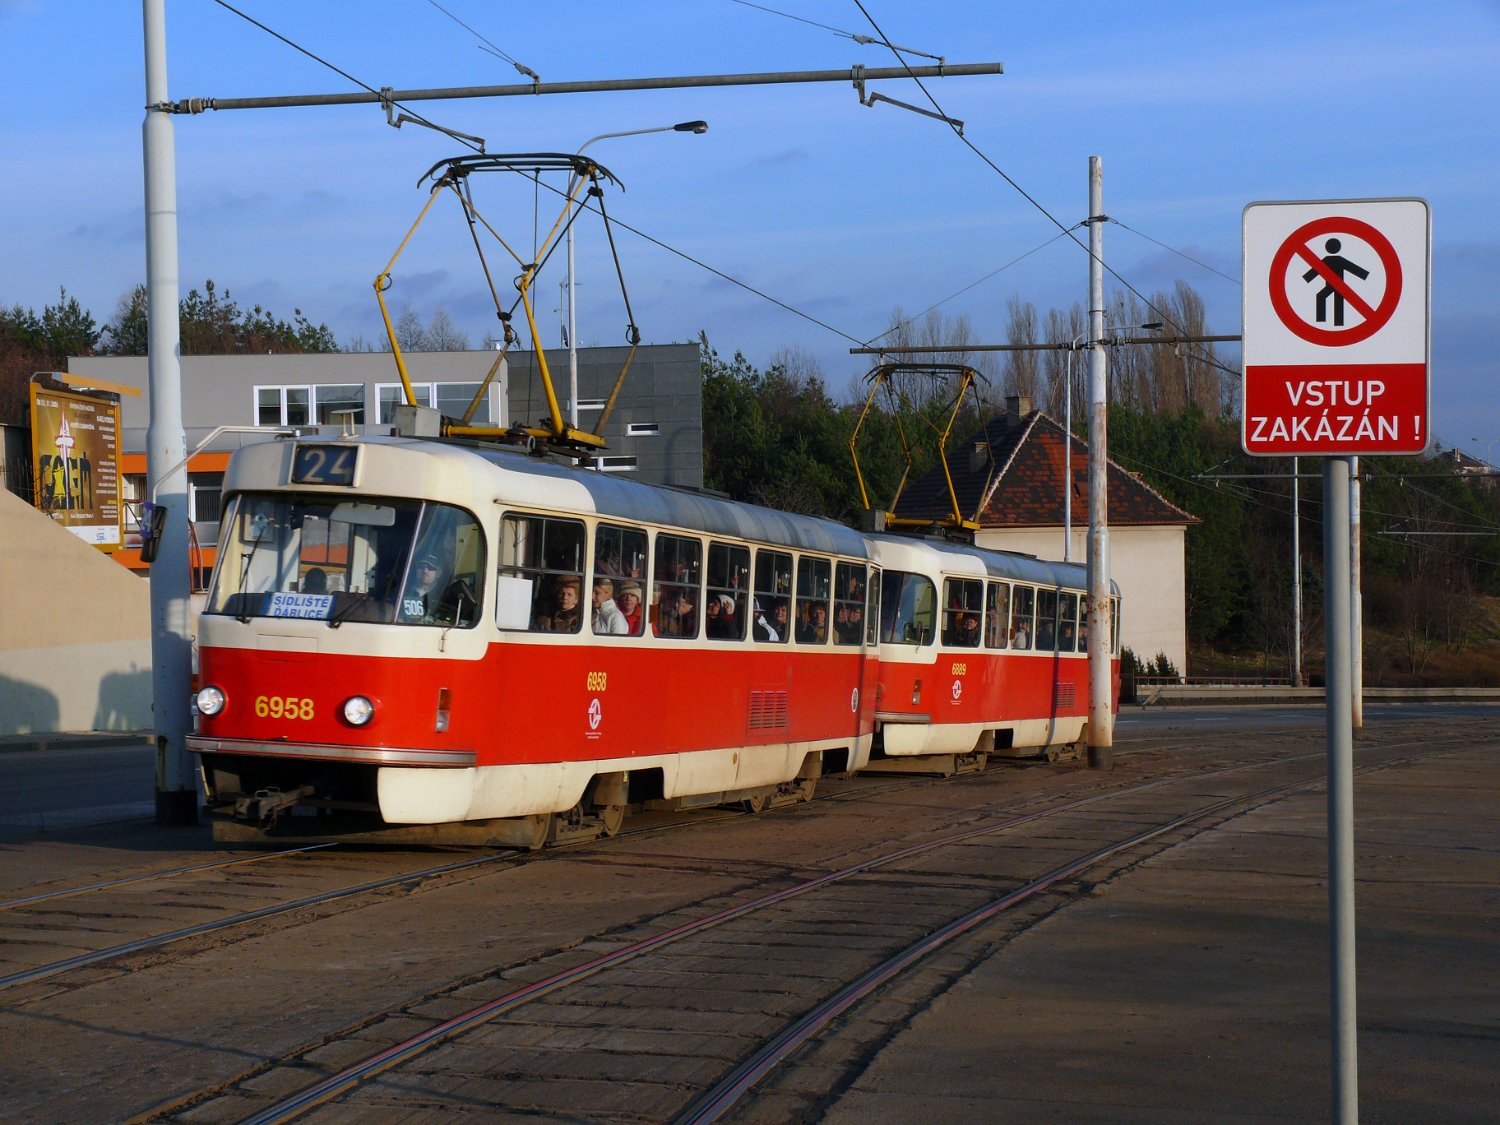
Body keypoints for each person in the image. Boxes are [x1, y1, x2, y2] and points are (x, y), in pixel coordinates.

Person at [400, 552, 446, 622]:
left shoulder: (443, 597)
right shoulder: (403, 591)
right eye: (421, 566)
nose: (425, 571)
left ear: (439, 573)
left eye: (430, 567)